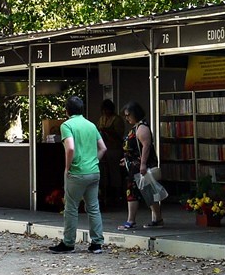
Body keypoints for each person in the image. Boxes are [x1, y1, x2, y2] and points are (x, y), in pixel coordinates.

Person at [49, 96, 107, 254]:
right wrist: (94, 161)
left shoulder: (67, 125)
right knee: (93, 207)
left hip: (77, 172)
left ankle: (68, 243)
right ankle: (97, 243)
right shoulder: (91, 125)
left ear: (67, 110)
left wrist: (68, 167)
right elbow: (103, 148)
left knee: (71, 208)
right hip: (94, 172)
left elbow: (70, 148)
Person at [117, 100, 163, 230]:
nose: (127, 118)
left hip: (140, 166)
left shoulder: (141, 128)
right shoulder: (138, 127)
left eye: (128, 115)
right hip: (135, 164)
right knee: (148, 192)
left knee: (134, 191)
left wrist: (142, 164)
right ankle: (157, 218)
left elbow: (146, 146)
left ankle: (131, 220)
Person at [95, 98, 124, 207]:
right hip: (103, 148)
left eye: (108, 110)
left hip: (114, 149)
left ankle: (117, 195)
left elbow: (119, 135)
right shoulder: (102, 119)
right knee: (104, 172)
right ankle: (106, 194)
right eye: (104, 110)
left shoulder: (117, 120)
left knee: (114, 172)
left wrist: (107, 131)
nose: (106, 112)